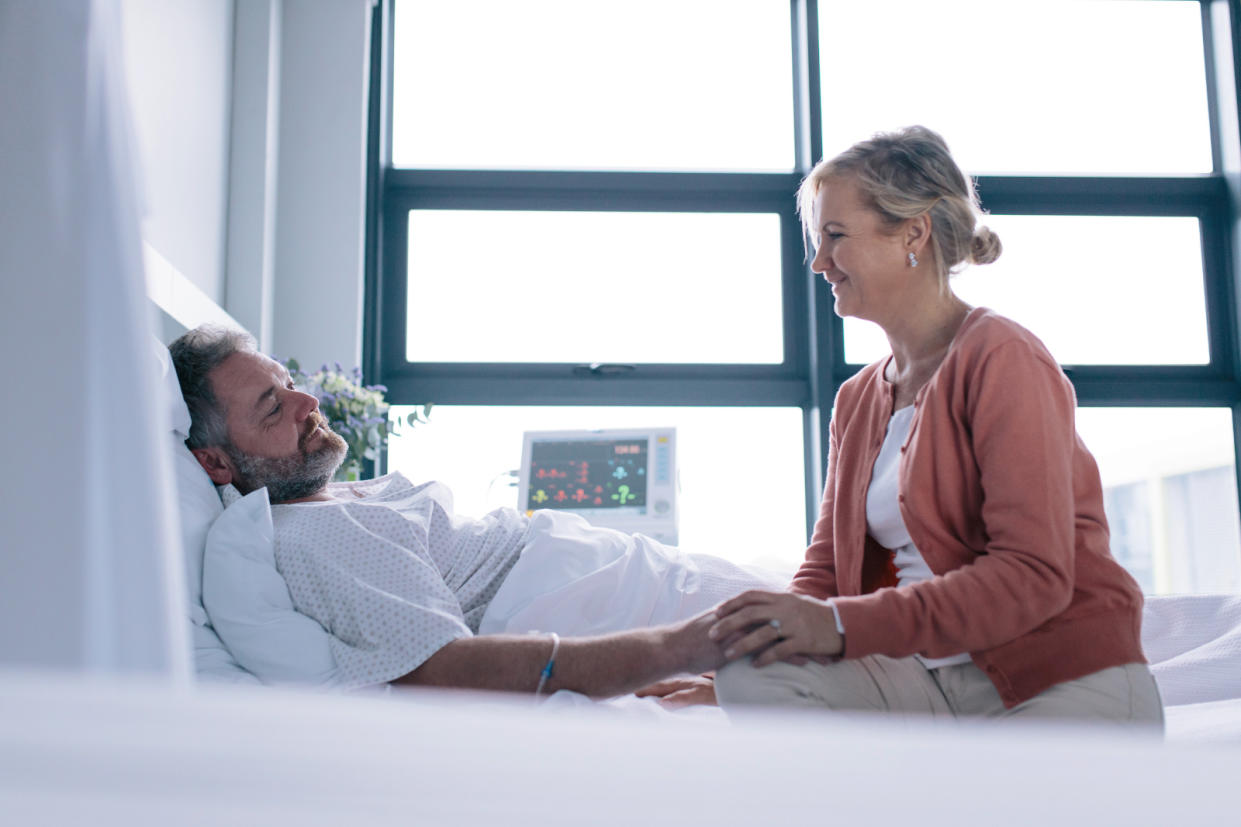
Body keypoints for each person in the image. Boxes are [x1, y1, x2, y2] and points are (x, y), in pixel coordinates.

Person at [707, 126, 1162, 726]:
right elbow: (824, 571)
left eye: (835, 237)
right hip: (929, 678)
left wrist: (840, 626)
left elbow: (1033, 575)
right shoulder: (858, 399)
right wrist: (754, 651)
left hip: (1052, 679)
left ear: (913, 234)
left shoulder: (1002, 356)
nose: (818, 262)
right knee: (750, 676)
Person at [169, 325, 758, 700]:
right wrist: (671, 652)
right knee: (826, 633)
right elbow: (440, 666)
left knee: (830, 615)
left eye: (291, 383)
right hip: (615, 595)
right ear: (217, 463)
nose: (308, 401)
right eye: (273, 407)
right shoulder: (313, 534)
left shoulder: (335, 502)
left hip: (625, 574)